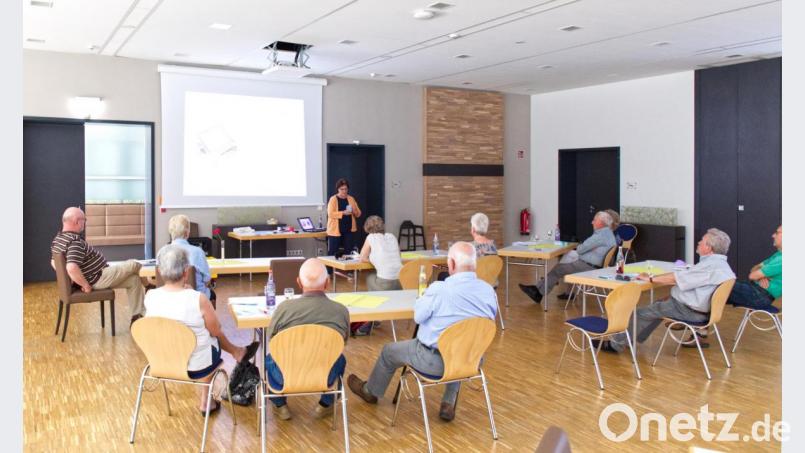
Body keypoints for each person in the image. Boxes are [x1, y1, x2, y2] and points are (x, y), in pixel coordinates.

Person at [347, 242, 497, 422]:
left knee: (389, 351)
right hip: (471, 360)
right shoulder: (489, 291)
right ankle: (448, 403)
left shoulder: (439, 290)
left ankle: (370, 392)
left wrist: (423, 299)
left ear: (451, 264)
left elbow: (418, 317)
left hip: (432, 362)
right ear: (474, 264)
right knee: (462, 344)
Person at [143, 245, 259, 414]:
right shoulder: (198, 299)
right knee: (208, 338)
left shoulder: (150, 297)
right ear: (185, 272)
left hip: (161, 361)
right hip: (196, 365)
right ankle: (207, 400)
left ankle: (237, 352)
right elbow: (215, 331)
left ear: (159, 271)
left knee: (201, 338)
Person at [598, 228, 736, 353]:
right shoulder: (720, 265)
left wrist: (650, 278)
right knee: (658, 304)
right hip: (700, 311)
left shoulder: (709, 266)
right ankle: (629, 339)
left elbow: (675, 279)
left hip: (688, 311)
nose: (699, 242)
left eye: (702, 241)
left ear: (709, 248)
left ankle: (615, 345)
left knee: (638, 313)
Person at [265, 258, 350, 421]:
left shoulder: (284, 309)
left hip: (284, 375)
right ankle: (325, 405)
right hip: (325, 375)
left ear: (298, 282)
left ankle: (279, 404)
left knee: (268, 359)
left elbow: (272, 340)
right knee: (340, 358)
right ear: (327, 282)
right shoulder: (341, 311)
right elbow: (342, 343)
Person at [51, 206, 147, 326]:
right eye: (84, 220)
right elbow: (71, 267)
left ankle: (137, 317)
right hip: (98, 278)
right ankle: (149, 285)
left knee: (134, 280)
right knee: (134, 264)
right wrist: (85, 285)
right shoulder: (74, 242)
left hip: (99, 276)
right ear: (76, 221)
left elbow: (54, 262)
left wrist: (71, 279)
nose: (85, 223)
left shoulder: (59, 239)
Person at [519, 211, 617, 304]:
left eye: (594, 220)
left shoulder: (599, 236)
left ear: (600, 223)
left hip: (588, 267)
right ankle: (539, 288)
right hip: (594, 265)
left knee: (558, 269)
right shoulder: (608, 233)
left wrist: (583, 248)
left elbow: (580, 249)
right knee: (566, 260)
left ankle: (539, 292)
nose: (592, 222)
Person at [160, 214, 215, 304]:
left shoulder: (162, 252)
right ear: (187, 233)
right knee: (211, 294)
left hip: (169, 298)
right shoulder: (197, 252)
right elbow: (207, 280)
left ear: (170, 232)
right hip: (196, 299)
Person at [727, 225, 782, 310]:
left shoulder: (781, 259)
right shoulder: (778, 255)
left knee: (720, 286)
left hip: (759, 296)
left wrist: (760, 275)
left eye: (777, 233)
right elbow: (753, 269)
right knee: (720, 286)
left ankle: (702, 318)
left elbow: (752, 276)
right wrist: (761, 276)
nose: (773, 235)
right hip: (756, 291)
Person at [359, 215, 403, 291]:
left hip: (386, 282)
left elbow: (362, 258)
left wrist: (374, 260)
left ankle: (377, 299)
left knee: (370, 277)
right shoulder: (392, 236)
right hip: (401, 280)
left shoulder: (371, 237)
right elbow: (399, 255)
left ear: (367, 227)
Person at [326, 178, 362, 265]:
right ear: (338, 189)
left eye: (346, 189)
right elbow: (330, 214)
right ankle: (329, 272)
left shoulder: (351, 199)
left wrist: (353, 211)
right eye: (342, 189)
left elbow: (358, 214)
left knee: (349, 251)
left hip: (349, 230)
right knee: (333, 251)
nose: (344, 191)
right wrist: (343, 213)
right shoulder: (333, 199)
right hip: (335, 230)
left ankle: (349, 270)